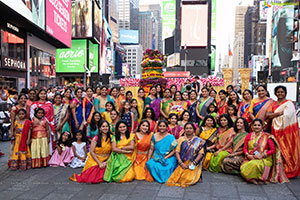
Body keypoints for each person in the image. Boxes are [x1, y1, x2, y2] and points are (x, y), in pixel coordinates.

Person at [266, 86, 300, 178]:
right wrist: (277, 114)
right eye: (278, 92)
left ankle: (289, 169)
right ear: (275, 93)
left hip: (287, 131)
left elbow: (289, 117)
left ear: (285, 93)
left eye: (282, 92)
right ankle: (278, 169)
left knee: (288, 148)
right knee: (278, 149)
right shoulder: (273, 104)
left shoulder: (289, 103)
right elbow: (267, 115)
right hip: (275, 130)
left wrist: (274, 116)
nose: (280, 93)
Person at [240, 119, 288, 184]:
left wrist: (262, 155)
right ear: (252, 126)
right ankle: (251, 178)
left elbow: (272, 150)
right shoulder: (249, 135)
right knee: (243, 167)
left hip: (264, 159)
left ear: (262, 126)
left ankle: (257, 178)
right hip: (251, 157)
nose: (256, 127)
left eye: (259, 125)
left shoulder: (267, 136)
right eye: (255, 125)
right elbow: (245, 148)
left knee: (255, 164)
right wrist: (248, 155)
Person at [166, 122, 206, 187]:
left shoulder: (198, 140)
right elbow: (177, 151)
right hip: (182, 163)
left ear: (194, 130)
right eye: (187, 128)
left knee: (188, 178)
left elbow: (201, 153)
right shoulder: (181, 139)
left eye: (190, 128)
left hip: (193, 163)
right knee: (178, 177)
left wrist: (193, 163)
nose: (188, 129)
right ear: (184, 130)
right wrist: (181, 163)